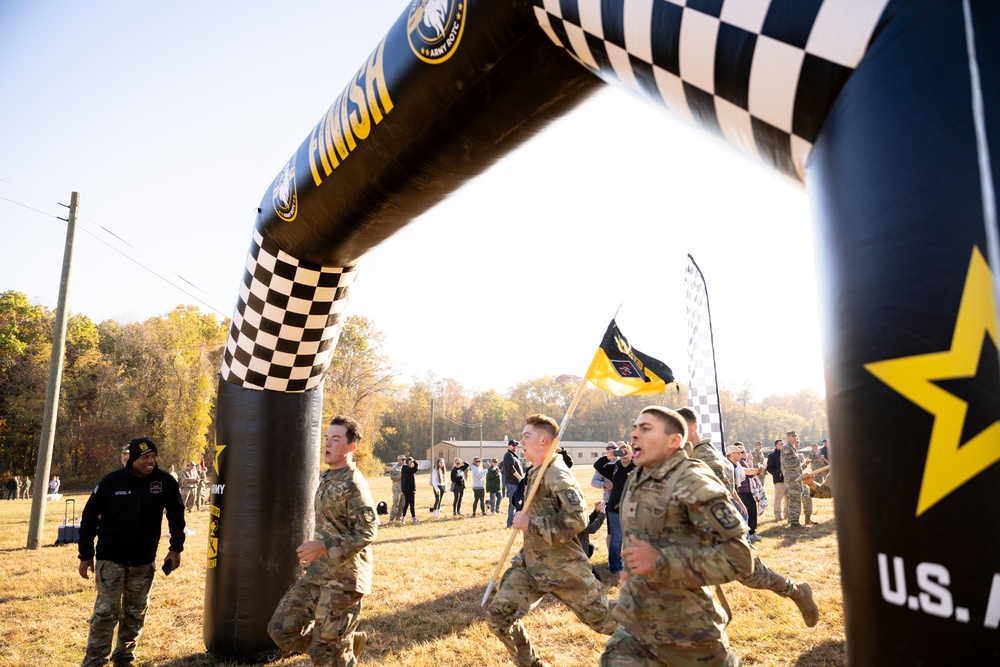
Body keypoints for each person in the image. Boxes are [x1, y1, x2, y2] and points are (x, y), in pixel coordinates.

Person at [603, 406, 752, 666]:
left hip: (687, 629)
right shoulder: (639, 477)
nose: (635, 435)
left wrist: (659, 561)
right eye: (635, 428)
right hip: (638, 621)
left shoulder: (693, 481)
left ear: (674, 441)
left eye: (646, 429)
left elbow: (739, 558)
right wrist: (631, 567)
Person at [487, 415, 615, 667]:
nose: (521, 441)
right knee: (499, 617)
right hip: (531, 566)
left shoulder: (557, 474)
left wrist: (530, 523)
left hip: (564, 569)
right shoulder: (536, 470)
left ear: (544, 439)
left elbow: (577, 521)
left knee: (607, 621)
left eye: (526, 436)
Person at [678, 409, 819, 628]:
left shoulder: (706, 456)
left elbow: (714, 497)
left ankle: (797, 592)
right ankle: (711, 622)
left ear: (693, 428)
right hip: (703, 533)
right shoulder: (690, 453)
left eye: (679, 428)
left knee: (752, 575)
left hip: (721, 531)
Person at [268, 415, 377, 666]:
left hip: (344, 581)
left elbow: (368, 530)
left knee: (325, 656)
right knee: (280, 629)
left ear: (351, 447)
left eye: (336, 439)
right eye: (327, 438)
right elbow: (330, 524)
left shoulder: (354, 484)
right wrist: (314, 552)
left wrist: (324, 548)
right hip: (318, 574)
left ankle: (335, 650)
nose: (327, 444)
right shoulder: (328, 477)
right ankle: (339, 646)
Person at [77, 437, 185, 667]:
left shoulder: (165, 482)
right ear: (133, 459)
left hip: (143, 561)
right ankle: (95, 661)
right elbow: (88, 519)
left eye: (154, 457)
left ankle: (124, 657)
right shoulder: (111, 482)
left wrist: (176, 549)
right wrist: (85, 555)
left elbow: (176, 516)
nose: (151, 461)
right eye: (146, 457)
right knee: (106, 613)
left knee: (135, 613)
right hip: (111, 558)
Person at [593, 441, 635, 583]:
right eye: (620, 452)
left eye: (626, 452)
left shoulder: (635, 467)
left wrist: (633, 457)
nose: (623, 455)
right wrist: (609, 457)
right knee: (616, 538)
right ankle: (615, 567)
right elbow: (597, 466)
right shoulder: (614, 468)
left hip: (631, 508)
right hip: (615, 508)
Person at [728, 443, 764, 543]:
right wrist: (739, 502)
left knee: (745, 515)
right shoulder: (728, 466)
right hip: (733, 495)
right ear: (732, 454)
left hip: (736, 493)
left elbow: (748, 471)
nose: (741, 454)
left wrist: (759, 470)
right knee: (743, 515)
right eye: (738, 453)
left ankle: (746, 539)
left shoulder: (736, 465)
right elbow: (730, 487)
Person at [782, 431, 813, 527]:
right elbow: (787, 464)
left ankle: (795, 522)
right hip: (792, 480)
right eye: (792, 436)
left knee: (797, 500)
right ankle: (794, 523)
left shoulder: (793, 448)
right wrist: (798, 459)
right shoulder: (787, 448)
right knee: (794, 501)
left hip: (797, 478)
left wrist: (804, 464)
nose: (795, 437)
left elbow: (796, 467)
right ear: (788, 437)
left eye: (796, 436)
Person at [501, 439, 524, 528]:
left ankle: (515, 522)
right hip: (512, 483)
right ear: (509, 446)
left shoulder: (513, 455)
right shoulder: (508, 455)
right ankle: (510, 523)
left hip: (516, 483)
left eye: (516, 446)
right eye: (513, 445)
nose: (515, 447)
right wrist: (520, 478)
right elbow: (510, 468)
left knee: (517, 503)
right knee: (513, 503)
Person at [766, 439, 787, 521]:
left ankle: (787, 514)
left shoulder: (786, 454)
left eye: (783, 443)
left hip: (788, 479)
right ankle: (777, 515)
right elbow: (769, 468)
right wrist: (777, 473)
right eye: (781, 444)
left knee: (788, 498)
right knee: (778, 498)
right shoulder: (772, 456)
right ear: (776, 445)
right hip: (779, 480)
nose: (783, 445)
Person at [399, 456, 419, 524]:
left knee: (406, 504)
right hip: (410, 490)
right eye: (410, 462)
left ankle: (403, 518)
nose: (411, 463)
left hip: (405, 490)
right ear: (407, 462)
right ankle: (414, 519)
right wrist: (415, 462)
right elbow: (415, 469)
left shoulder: (404, 469)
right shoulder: (407, 469)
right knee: (412, 505)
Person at [388, 454, 405, 522]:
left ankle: (398, 517)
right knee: (396, 503)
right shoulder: (394, 468)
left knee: (402, 504)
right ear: (398, 460)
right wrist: (400, 476)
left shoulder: (405, 467)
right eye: (402, 460)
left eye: (404, 460)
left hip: (404, 488)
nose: (403, 461)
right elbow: (392, 477)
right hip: (397, 488)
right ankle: (392, 518)